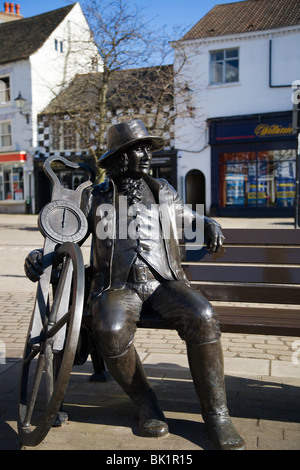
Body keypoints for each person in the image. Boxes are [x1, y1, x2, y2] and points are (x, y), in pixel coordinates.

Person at [25, 120, 245, 450]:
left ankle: (218, 416)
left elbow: (186, 217)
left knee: (203, 315)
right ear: (119, 157)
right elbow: (66, 241)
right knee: (110, 328)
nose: (145, 155)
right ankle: (146, 402)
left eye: (146, 149)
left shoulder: (163, 190)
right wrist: (38, 258)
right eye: (137, 149)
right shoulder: (96, 197)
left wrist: (208, 222)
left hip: (164, 283)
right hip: (118, 287)